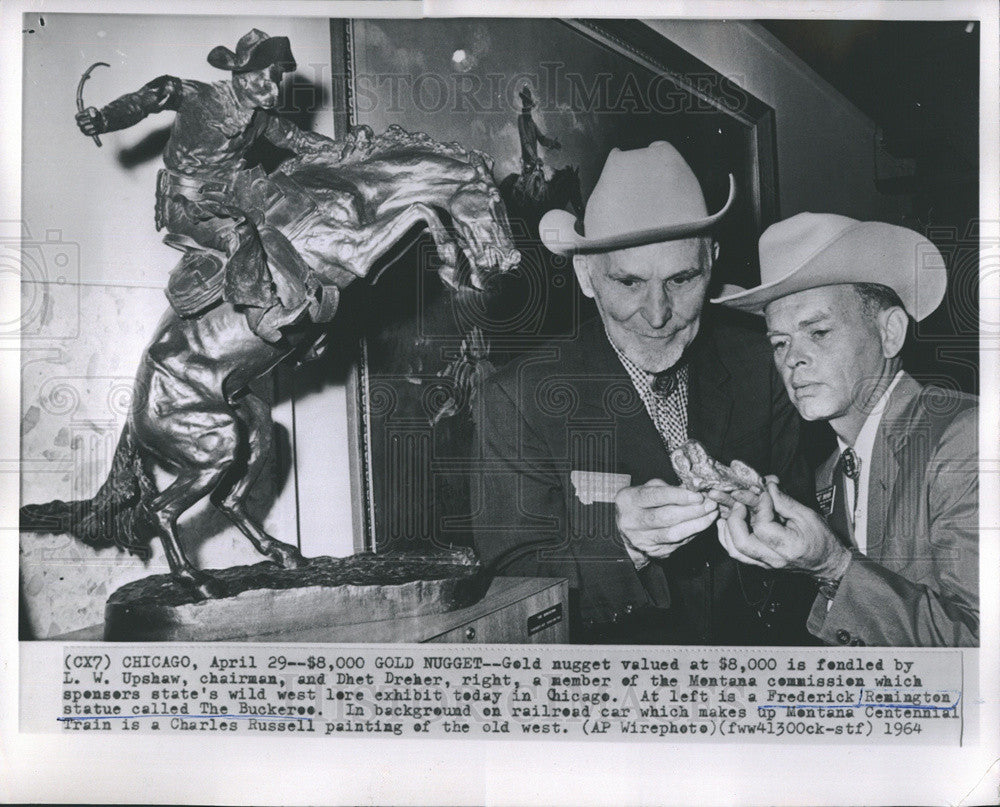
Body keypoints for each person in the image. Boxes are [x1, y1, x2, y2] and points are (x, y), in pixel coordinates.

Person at [472, 141, 817, 644]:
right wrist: (621, 547)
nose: (657, 313)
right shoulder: (517, 398)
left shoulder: (762, 366)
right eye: (630, 282)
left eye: (682, 278)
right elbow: (508, 589)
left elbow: (803, 541)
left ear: (712, 261)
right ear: (587, 275)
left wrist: (774, 520)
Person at [714, 212, 978, 647]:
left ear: (890, 332)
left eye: (817, 331)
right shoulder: (829, 477)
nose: (792, 359)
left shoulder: (967, 439)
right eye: (779, 342)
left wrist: (834, 567)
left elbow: (983, 654)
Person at [75, 28, 338, 337]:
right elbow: (148, 98)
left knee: (280, 221)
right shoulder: (197, 96)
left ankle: (303, 295)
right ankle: (262, 314)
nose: (275, 92)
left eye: (276, 81)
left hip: (231, 200)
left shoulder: (263, 119)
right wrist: (105, 118)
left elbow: (298, 139)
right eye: (265, 81)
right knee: (239, 233)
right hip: (186, 205)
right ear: (241, 76)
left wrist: (346, 149)